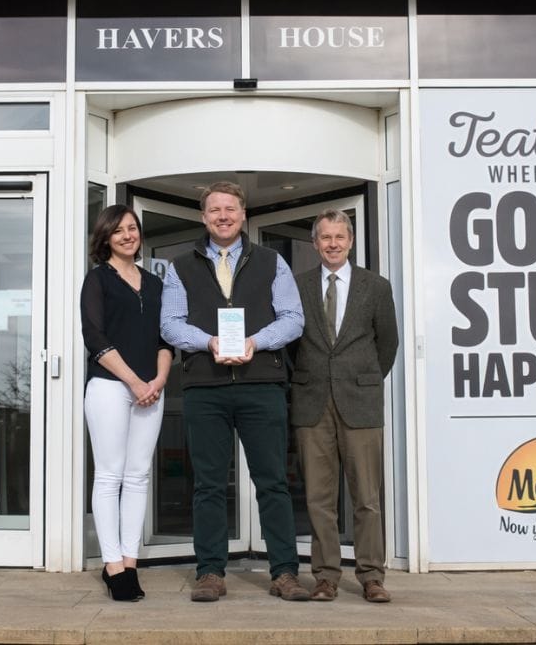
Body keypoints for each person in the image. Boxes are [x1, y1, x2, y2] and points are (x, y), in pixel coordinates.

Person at [160, 181, 310, 603]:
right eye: (214, 210)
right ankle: (210, 571)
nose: (222, 216)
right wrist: (208, 341)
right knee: (208, 485)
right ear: (203, 217)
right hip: (205, 386)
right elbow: (170, 324)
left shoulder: (272, 262)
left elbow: (293, 318)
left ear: (243, 214)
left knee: (273, 482)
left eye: (230, 209)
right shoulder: (180, 267)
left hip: (261, 383)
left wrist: (254, 343)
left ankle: (285, 572)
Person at [290, 208, 399, 603]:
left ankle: (372, 576)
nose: (333, 244)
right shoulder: (297, 286)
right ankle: (325, 577)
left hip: (361, 402)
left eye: (339, 237)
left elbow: (387, 344)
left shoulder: (376, 287)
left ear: (350, 241)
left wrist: (362, 380)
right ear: (314, 243)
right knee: (318, 499)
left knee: (367, 498)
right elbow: (289, 344)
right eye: (325, 237)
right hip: (312, 402)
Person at [81, 204, 173, 602]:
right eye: (118, 230)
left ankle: (130, 562)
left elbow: (165, 339)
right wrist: (134, 382)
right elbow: (94, 336)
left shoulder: (155, 284)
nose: (127, 235)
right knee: (109, 475)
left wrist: (159, 380)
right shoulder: (98, 279)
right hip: (110, 387)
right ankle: (113, 565)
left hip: (151, 388)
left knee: (138, 476)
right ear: (105, 237)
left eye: (132, 228)